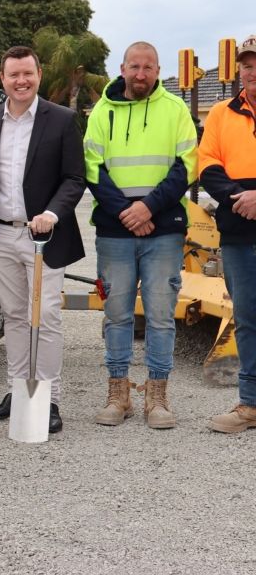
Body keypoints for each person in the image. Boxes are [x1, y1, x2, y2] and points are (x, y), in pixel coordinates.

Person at [84, 41, 197, 429]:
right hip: (115, 231)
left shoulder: (176, 110)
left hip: (163, 228)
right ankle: (119, 394)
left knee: (162, 316)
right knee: (116, 315)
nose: (142, 74)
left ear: (157, 69)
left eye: (149, 67)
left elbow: (187, 166)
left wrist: (148, 208)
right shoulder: (101, 111)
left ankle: (157, 396)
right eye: (135, 66)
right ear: (123, 68)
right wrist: (126, 212)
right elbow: (92, 168)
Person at [0, 46, 85, 433]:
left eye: (27, 73)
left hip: (45, 236)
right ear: (2, 78)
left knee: (48, 316)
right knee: (16, 316)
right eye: (13, 75)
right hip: (0, 235)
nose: (21, 81)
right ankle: (17, 390)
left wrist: (52, 214)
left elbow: (75, 178)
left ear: (38, 74)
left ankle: (49, 399)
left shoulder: (62, 119)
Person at [199, 36, 256, 433]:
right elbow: (208, 165)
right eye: (247, 65)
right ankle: (250, 404)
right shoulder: (220, 113)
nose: (252, 71)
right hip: (238, 233)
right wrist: (242, 198)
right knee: (248, 319)